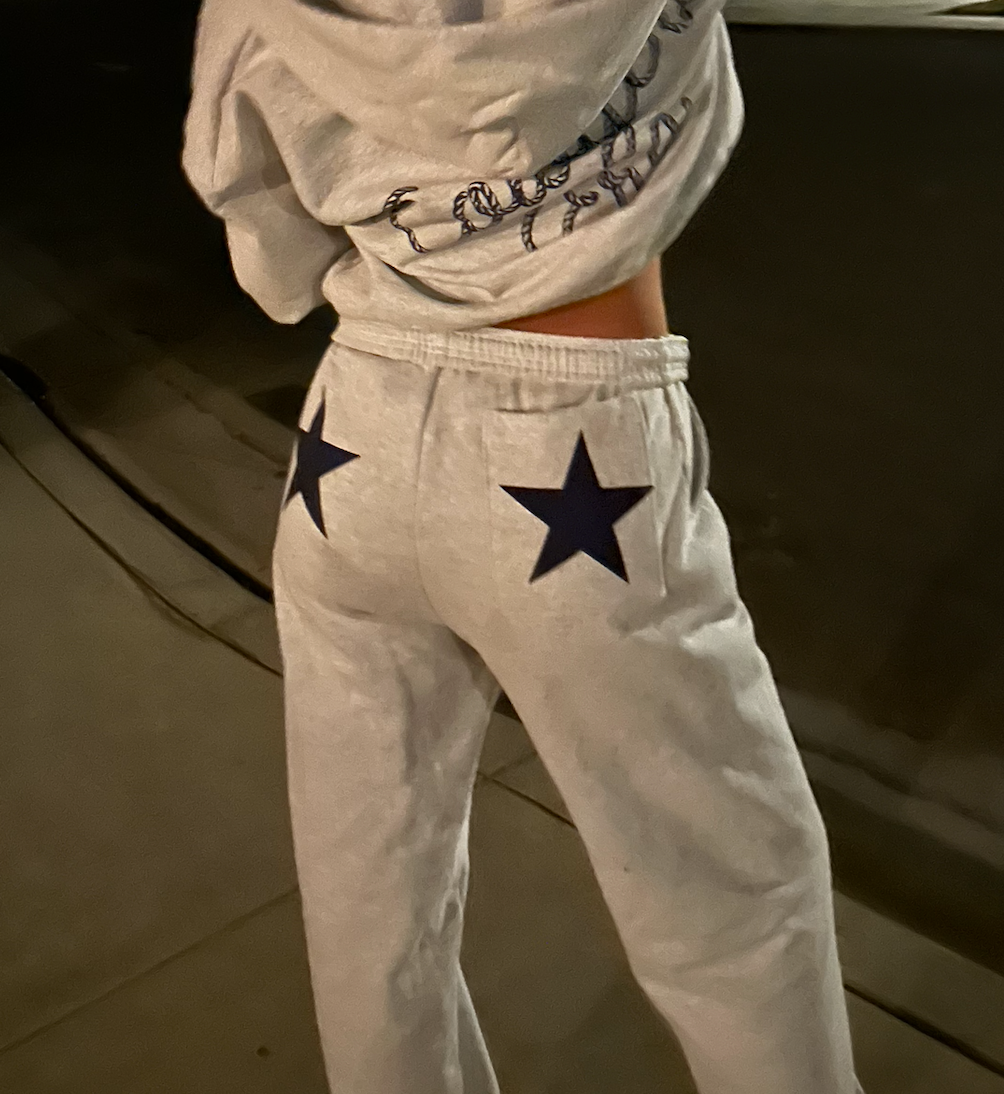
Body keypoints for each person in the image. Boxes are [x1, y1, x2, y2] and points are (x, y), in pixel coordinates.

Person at [182, 0, 866, 1091]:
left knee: (371, 888)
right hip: (573, 444)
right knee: (731, 890)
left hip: (353, 438)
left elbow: (267, 248)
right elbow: (699, 128)